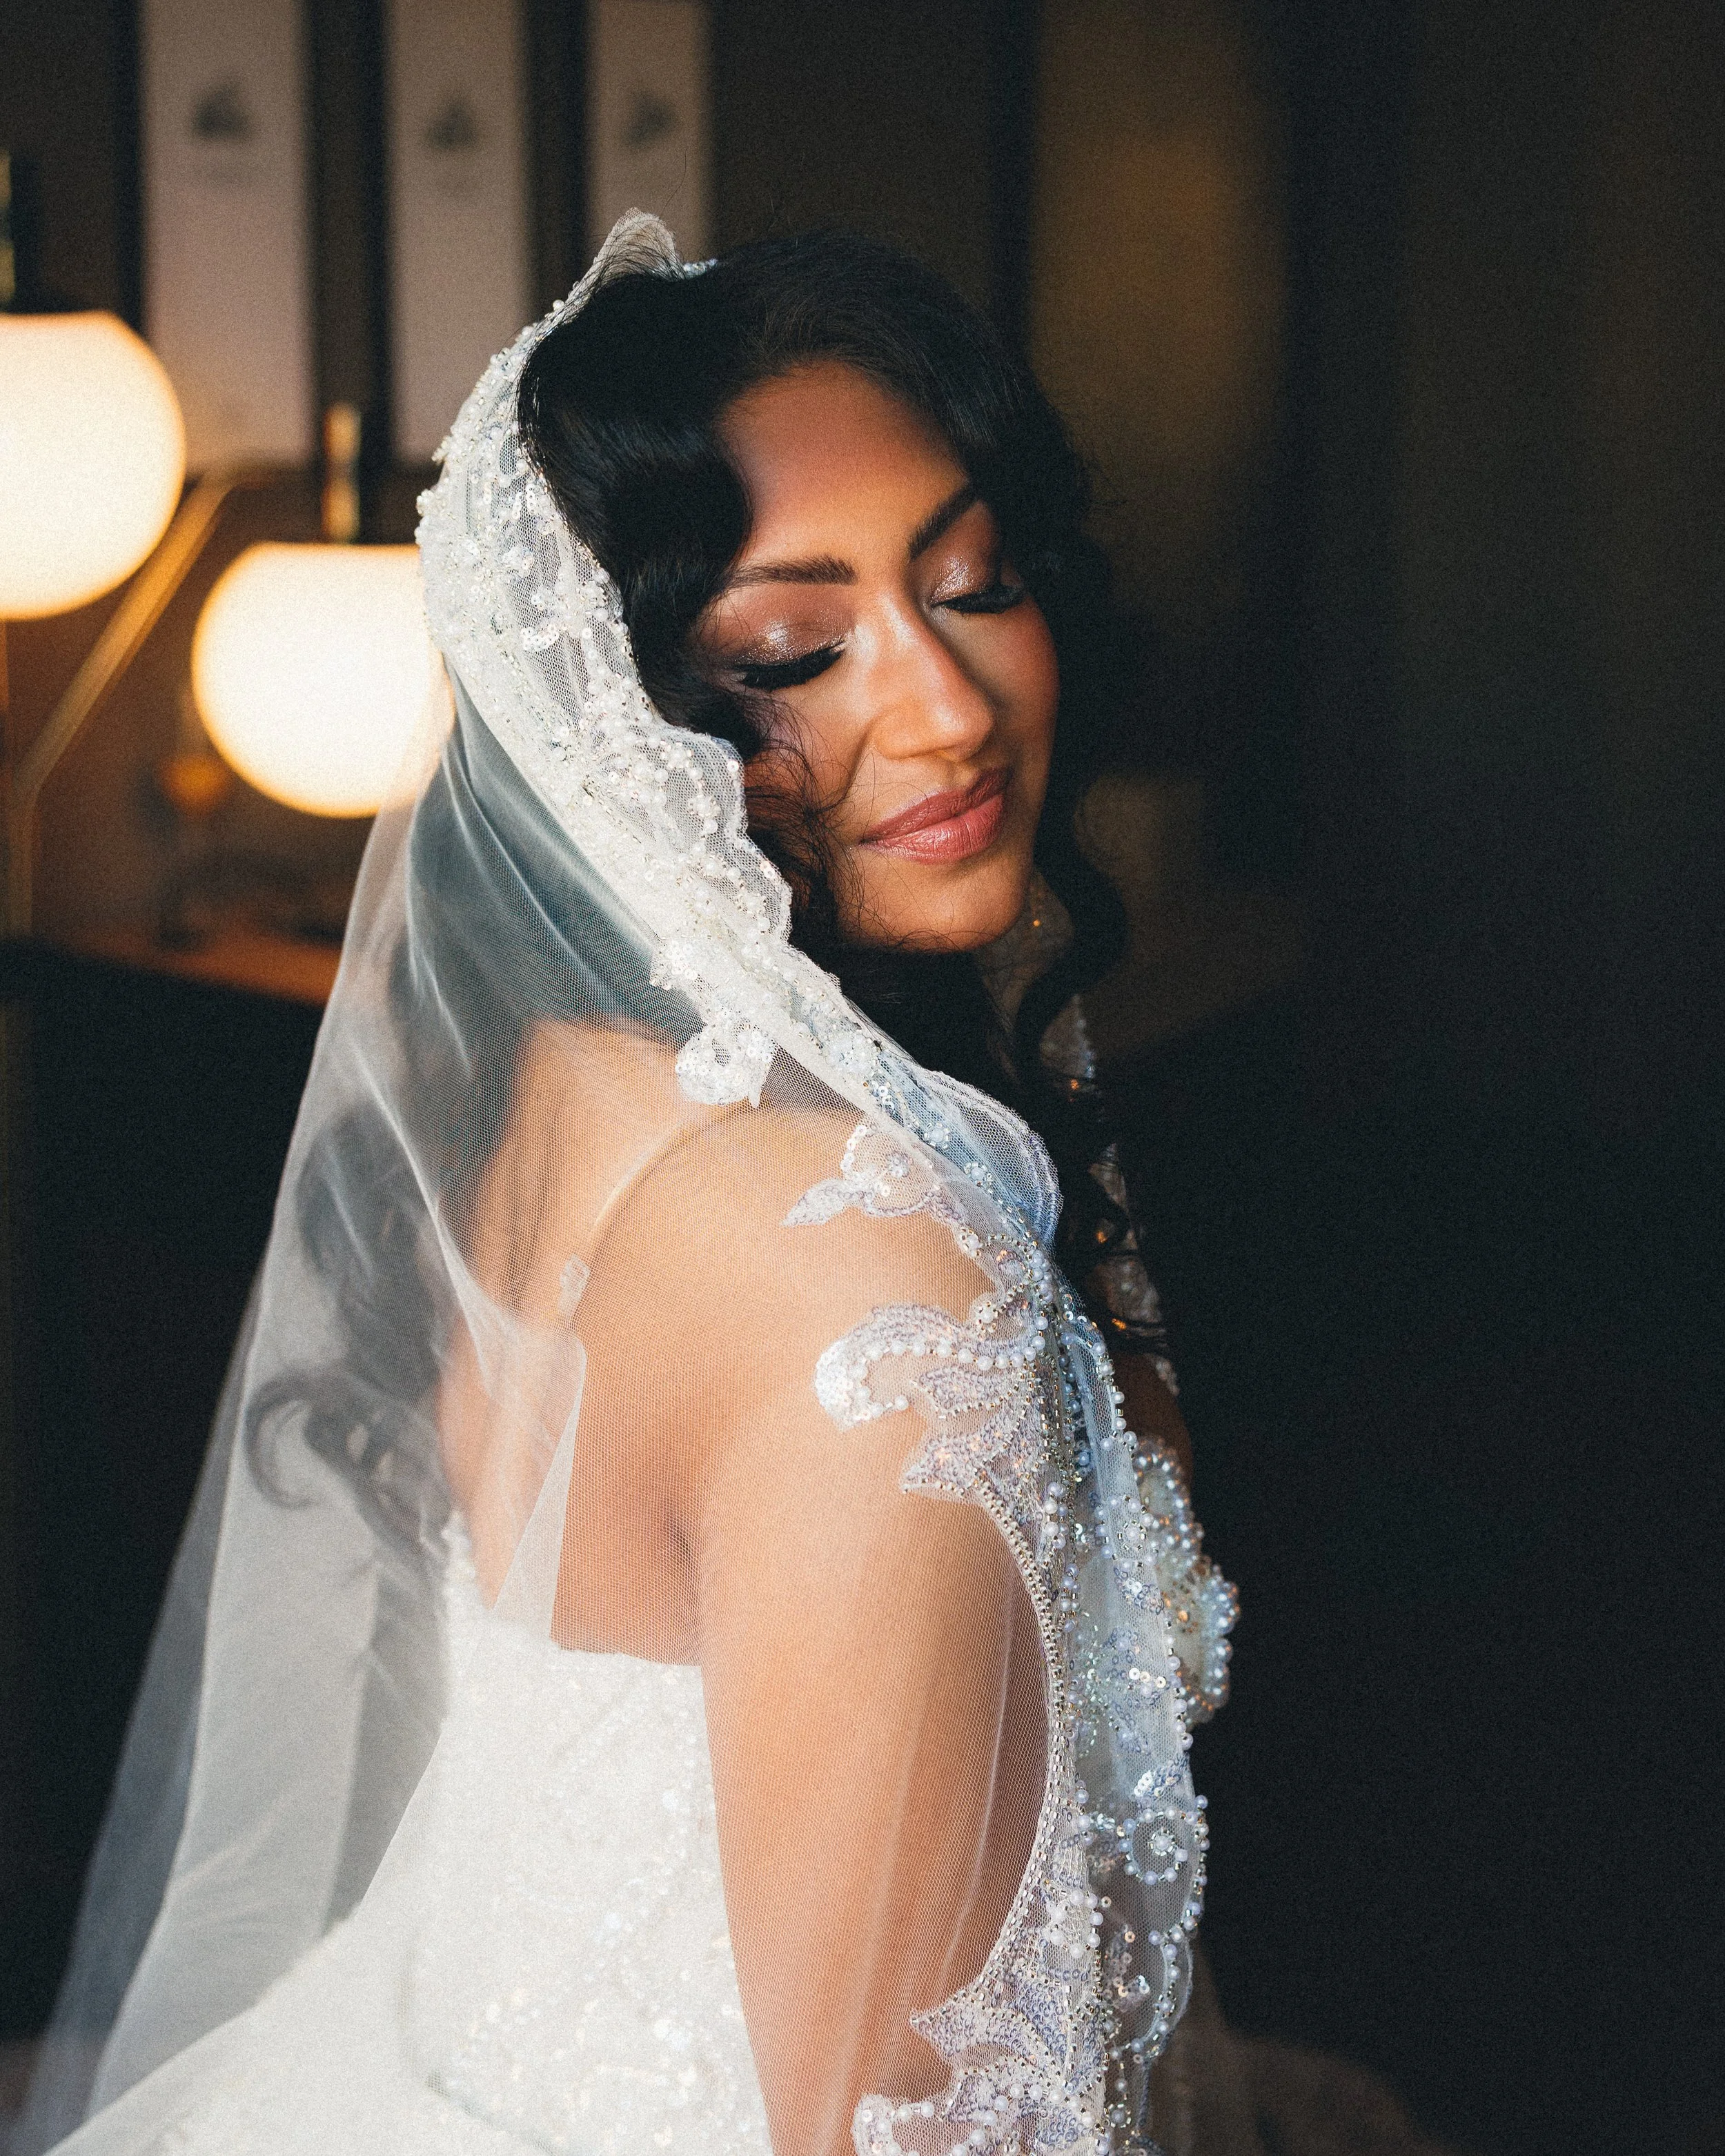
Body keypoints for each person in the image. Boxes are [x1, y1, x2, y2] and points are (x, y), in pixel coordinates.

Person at [21, 213, 1257, 2156]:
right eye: (791, 647)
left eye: (972, 579)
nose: (944, 706)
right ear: (614, 727)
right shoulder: (871, 1285)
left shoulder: (577, 1098)